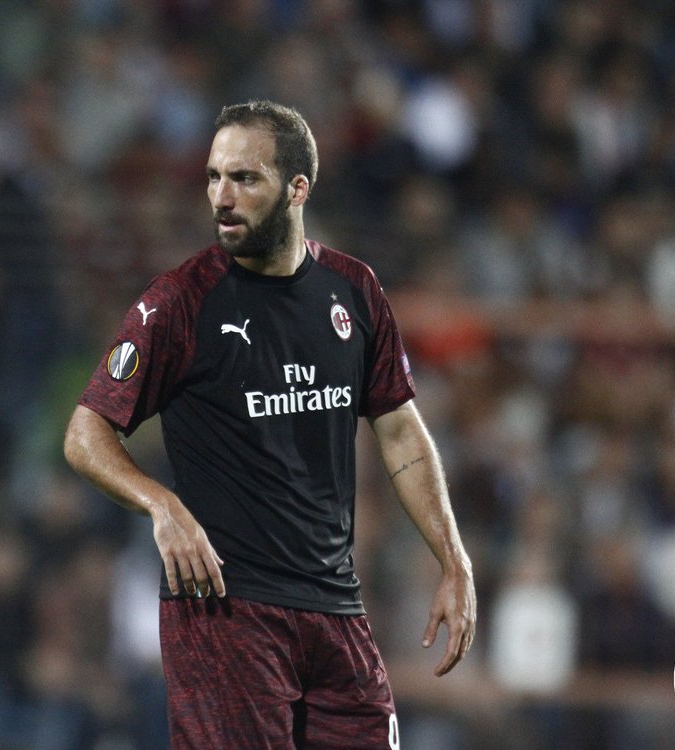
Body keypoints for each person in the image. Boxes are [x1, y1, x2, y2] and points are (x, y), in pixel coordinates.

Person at [63, 100, 476, 750]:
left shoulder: (354, 290)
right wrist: (162, 505)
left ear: (297, 188)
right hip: (226, 614)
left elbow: (399, 429)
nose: (221, 197)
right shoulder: (179, 303)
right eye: (213, 177)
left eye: (244, 178)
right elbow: (85, 434)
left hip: (335, 610)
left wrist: (452, 558)